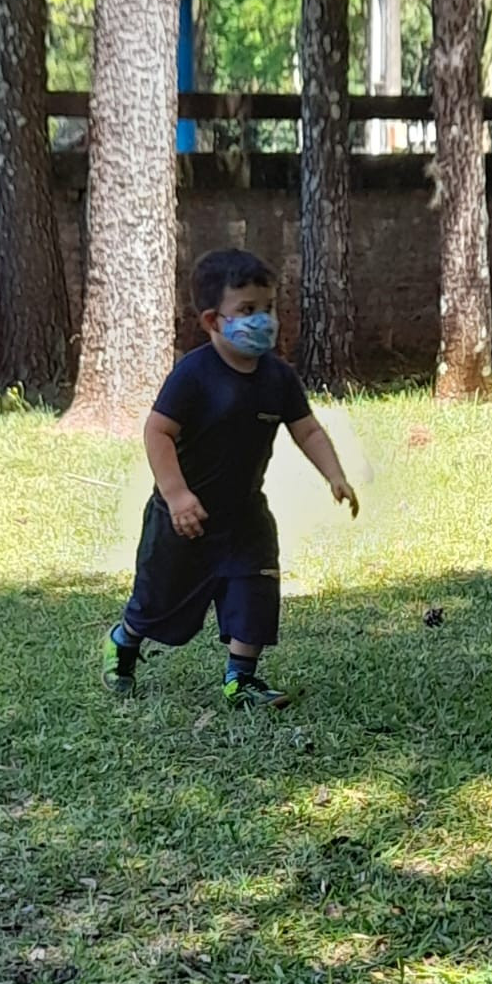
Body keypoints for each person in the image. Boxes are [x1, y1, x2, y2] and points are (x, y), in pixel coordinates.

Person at [102, 248, 359, 709]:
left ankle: (241, 680)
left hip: (245, 514)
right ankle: (124, 641)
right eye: (247, 310)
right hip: (183, 519)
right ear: (212, 321)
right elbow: (158, 431)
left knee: (255, 588)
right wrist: (176, 495)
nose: (263, 320)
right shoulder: (193, 375)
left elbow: (307, 430)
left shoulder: (278, 378)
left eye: (268, 308)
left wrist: (334, 475)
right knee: (158, 600)